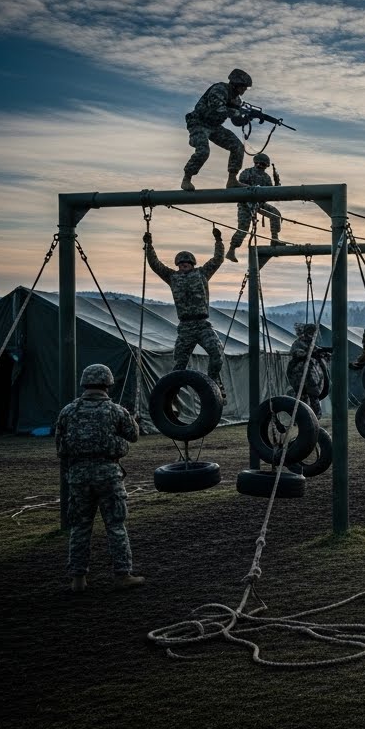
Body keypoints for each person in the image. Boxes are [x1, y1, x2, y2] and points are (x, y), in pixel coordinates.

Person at [57, 364, 144, 593]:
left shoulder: (68, 411)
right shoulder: (115, 411)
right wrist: (133, 422)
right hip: (108, 474)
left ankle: (78, 579)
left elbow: (60, 447)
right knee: (115, 525)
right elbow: (133, 436)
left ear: (85, 383)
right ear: (108, 383)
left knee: (80, 526)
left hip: (78, 476)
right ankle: (122, 574)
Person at [145, 227, 226, 393]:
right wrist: (149, 246)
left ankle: (212, 382)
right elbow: (155, 264)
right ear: (177, 266)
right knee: (179, 365)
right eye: (181, 264)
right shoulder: (172, 277)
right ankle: (171, 396)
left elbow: (218, 259)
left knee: (217, 354)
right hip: (186, 327)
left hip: (202, 324)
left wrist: (218, 240)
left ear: (192, 264)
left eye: (186, 263)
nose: (183, 266)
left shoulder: (202, 273)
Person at [182, 69, 251, 191]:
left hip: (214, 127)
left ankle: (232, 180)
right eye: (243, 86)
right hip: (198, 122)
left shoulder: (236, 100)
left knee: (237, 147)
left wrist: (246, 118)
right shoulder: (219, 89)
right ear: (235, 84)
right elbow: (218, 109)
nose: (244, 90)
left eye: (246, 87)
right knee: (203, 151)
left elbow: (236, 121)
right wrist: (236, 111)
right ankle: (187, 178)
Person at [227, 153, 282, 262]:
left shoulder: (266, 177)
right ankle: (231, 250)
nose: (261, 167)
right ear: (256, 163)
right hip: (245, 204)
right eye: (260, 164)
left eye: (264, 165)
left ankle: (274, 239)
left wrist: (277, 184)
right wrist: (251, 188)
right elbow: (238, 186)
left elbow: (270, 192)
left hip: (258, 204)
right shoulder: (247, 172)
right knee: (243, 229)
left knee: (275, 214)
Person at [286, 323, 329, 418]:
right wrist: (308, 353)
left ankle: (315, 416)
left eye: (313, 333)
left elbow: (318, 352)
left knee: (313, 395)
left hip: (311, 374)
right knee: (301, 396)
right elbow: (296, 352)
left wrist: (323, 353)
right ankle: (301, 417)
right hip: (298, 373)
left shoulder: (311, 342)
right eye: (310, 332)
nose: (312, 335)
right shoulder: (299, 342)